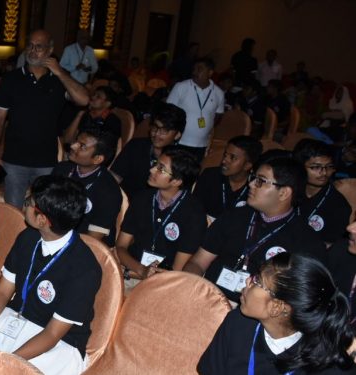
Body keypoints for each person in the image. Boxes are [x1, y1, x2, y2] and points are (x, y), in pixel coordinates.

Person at [0, 175, 101, 375]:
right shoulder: (28, 237)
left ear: (42, 219)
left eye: (28, 203)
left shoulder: (84, 268)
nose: (23, 206)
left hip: (57, 345)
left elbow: (52, 333)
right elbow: (2, 291)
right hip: (15, 319)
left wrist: (6, 362)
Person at [183, 157, 326, 304]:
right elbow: (198, 262)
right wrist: (193, 290)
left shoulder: (306, 242)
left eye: (260, 181)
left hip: (253, 315)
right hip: (206, 297)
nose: (250, 184)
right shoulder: (234, 216)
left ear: (284, 193)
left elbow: (293, 302)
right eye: (253, 178)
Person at [198, 253, 355, 374]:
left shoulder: (325, 363)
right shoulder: (238, 323)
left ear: (277, 307)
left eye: (257, 281)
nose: (247, 281)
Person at [0, 29, 89, 208]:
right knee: (14, 212)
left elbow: (83, 99)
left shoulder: (59, 79)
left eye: (39, 47)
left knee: (43, 211)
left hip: (46, 161)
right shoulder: (12, 79)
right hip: (14, 160)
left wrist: (60, 72)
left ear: (49, 50)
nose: (33, 50)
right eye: (30, 45)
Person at [116, 147, 206, 287]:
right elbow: (121, 246)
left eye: (161, 169)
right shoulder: (142, 198)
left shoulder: (194, 213)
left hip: (165, 283)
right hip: (131, 271)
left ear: (176, 181)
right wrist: (141, 270)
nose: (152, 170)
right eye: (155, 164)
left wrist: (150, 276)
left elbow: (178, 269)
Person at [52, 127, 122, 246]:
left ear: (97, 159)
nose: (73, 146)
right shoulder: (62, 169)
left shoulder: (109, 192)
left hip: (84, 246)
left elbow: (93, 239)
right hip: (54, 233)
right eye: (76, 141)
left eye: (82, 146)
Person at [111, 102, 186, 198]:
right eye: (155, 127)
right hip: (125, 199)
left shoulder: (179, 160)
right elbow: (115, 177)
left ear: (177, 135)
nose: (157, 134)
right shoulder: (136, 146)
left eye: (164, 130)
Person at [292, 139, 350, 245]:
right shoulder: (287, 191)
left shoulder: (338, 205)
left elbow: (330, 245)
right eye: (315, 167)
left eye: (329, 167)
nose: (324, 172)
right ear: (299, 167)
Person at [167, 57, 225, 162]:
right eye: (194, 69)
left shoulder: (219, 93)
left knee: (192, 173)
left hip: (201, 145)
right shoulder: (181, 87)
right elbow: (168, 112)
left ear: (210, 72)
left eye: (199, 69)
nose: (194, 72)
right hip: (178, 141)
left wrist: (205, 128)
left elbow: (218, 115)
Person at [193, 136, 262, 221]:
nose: (224, 161)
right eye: (225, 155)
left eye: (233, 158)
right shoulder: (210, 175)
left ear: (247, 165)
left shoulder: (255, 188)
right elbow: (194, 208)